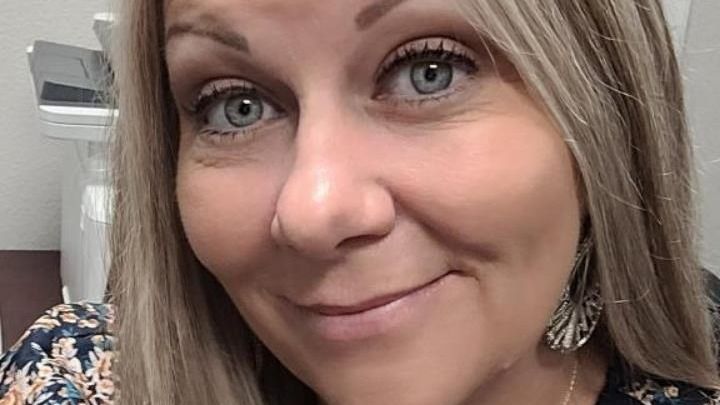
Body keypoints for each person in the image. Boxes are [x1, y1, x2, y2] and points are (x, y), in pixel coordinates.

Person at [1, 1, 719, 404]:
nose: (313, 211)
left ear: (599, 121)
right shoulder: (76, 377)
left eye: (428, 70)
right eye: (235, 106)